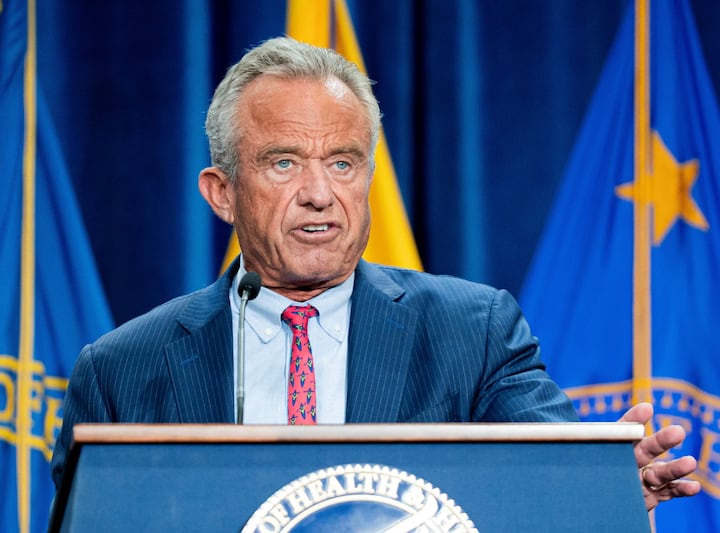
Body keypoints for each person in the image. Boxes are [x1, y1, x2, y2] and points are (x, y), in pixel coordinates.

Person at [50, 36, 699, 511]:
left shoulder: (474, 333)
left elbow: (547, 476)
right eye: (283, 163)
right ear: (221, 191)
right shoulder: (120, 372)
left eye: (342, 162)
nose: (318, 193)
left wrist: (605, 488)